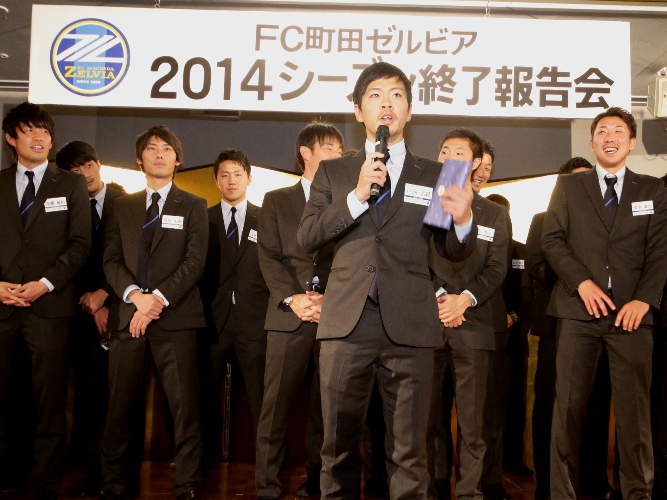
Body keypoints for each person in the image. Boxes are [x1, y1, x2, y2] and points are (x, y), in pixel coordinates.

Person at [297, 62, 476, 499]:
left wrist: (463, 219)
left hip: (410, 326)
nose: (386, 103)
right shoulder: (333, 172)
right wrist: (358, 196)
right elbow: (308, 236)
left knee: (409, 453)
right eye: (375, 95)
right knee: (338, 450)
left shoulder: (438, 173)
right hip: (346, 324)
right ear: (359, 110)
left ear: (409, 111)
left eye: (396, 95)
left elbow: (452, 252)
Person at [543, 107, 667, 500]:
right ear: (592, 142)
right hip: (577, 312)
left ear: (631, 143)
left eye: (618, 131)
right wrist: (582, 283)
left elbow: (660, 251)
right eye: (602, 131)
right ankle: (562, 494)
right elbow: (552, 240)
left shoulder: (652, 190)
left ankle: (637, 494)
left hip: (632, 318)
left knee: (635, 417)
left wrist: (644, 300)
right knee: (567, 412)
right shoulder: (569, 186)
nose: (609, 137)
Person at [100, 125, 208, 500]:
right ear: (139, 158)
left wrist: (156, 300)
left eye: (166, 149)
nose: (159, 154)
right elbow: (110, 259)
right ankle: (115, 484)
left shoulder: (194, 205)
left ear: (178, 160)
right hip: (127, 318)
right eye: (151, 148)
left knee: (184, 409)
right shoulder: (122, 206)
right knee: (119, 408)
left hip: (176, 320)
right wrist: (135, 296)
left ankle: (187, 485)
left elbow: (194, 263)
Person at [0, 102, 91, 500]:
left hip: (50, 308)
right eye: (29, 130)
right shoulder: (0, 183)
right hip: (2, 307)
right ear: (11, 138)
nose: (39, 138)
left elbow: (80, 244)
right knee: (5, 397)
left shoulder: (69, 184)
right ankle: (8, 474)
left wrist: (46, 283)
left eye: (45, 131)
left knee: (50, 400)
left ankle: (49, 480)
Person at [255, 121, 342, 500]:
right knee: (274, 408)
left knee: (327, 410)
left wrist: (328, 300)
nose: (337, 155)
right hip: (288, 316)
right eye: (329, 148)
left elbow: (349, 260)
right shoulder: (276, 200)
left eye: (340, 150)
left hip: (334, 317)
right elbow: (269, 256)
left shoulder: (348, 202)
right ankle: (267, 487)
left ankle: (317, 484)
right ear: (306, 153)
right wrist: (294, 298)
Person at [55, 141, 142, 498]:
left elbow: (134, 258)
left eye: (87, 165)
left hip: (122, 310)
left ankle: (125, 476)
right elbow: (62, 258)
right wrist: (90, 303)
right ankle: (93, 474)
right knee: (88, 399)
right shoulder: (63, 205)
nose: (84, 174)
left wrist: (105, 294)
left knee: (122, 398)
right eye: (74, 171)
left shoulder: (127, 202)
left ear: (99, 164)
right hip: (79, 313)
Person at [526, 157, 616, 500]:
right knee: (553, 408)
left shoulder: (609, 222)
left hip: (602, 323)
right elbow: (537, 266)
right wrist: (578, 279)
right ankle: (550, 486)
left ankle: (594, 483)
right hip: (557, 325)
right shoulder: (543, 219)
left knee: (597, 407)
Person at [427, 129, 509, 500]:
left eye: (459, 152)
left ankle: (469, 493)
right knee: (430, 417)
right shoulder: (424, 205)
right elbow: (413, 259)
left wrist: (465, 299)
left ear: (476, 163)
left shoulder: (494, 213)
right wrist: (443, 297)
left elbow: (497, 268)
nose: (449, 157)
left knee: (474, 422)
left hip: (475, 326)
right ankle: (433, 487)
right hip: (430, 322)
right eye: (444, 150)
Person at [199, 148, 270, 469]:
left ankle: (265, 466)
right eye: (224, 175)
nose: (231, 181)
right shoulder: (202, 218)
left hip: (254, 320)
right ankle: (204, 461)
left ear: (249, 179)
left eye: (238, 174)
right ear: (216, 180)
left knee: (260, 397)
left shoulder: (266, 217)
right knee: (204, 396)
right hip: (212, 322)